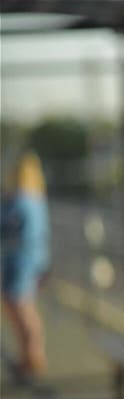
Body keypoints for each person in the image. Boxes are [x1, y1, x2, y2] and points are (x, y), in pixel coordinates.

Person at [1, 152, 51, 378]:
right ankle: (30, 354)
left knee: (22, 308)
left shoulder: (22, 199)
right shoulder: (35, 197)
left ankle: (32, 355)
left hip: (22, 259)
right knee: (21, 308)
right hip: (28, 258)